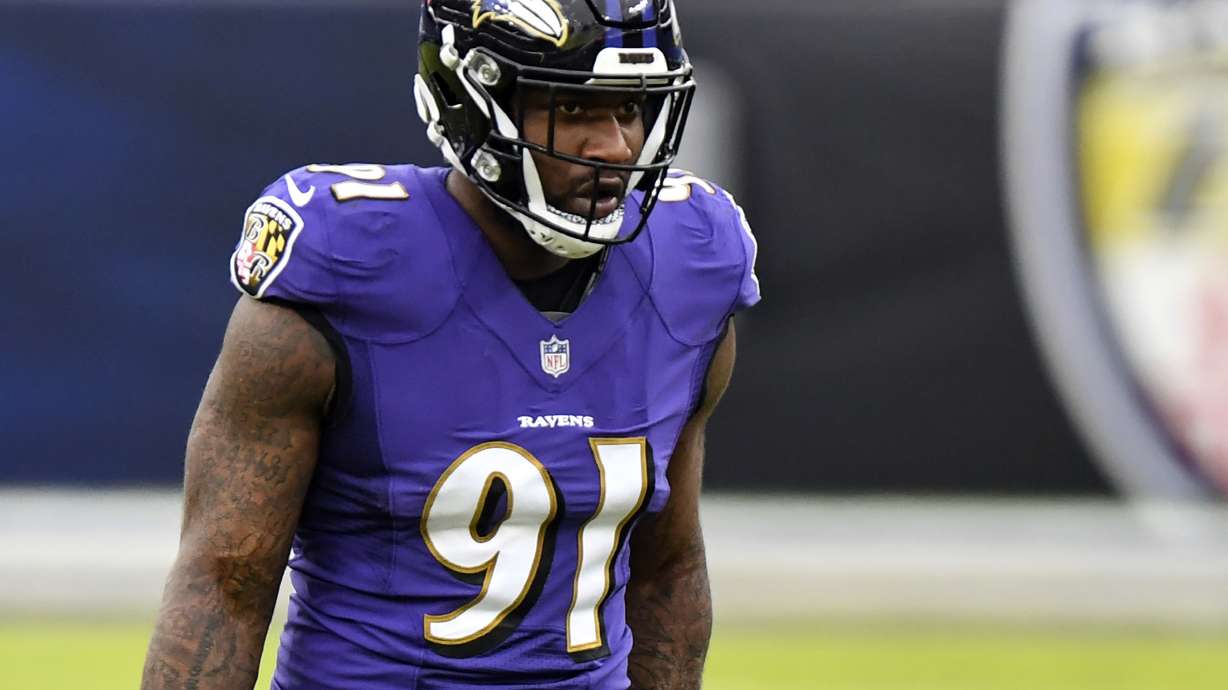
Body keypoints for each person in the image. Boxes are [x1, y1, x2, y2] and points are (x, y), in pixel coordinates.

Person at [141, 1, 759, 688]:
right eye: (574, 109)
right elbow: (224, 585)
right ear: (473, 100)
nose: (614, 146)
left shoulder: (690, 266)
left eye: (631, 110)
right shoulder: (349, 268)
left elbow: (667, 574)